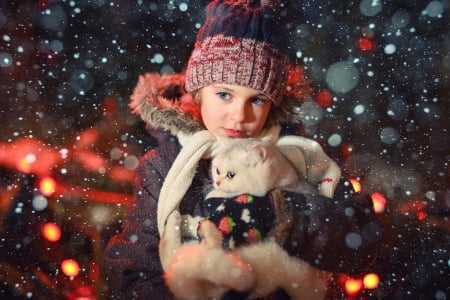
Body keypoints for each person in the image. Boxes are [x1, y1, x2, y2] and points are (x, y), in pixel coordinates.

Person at [103, 0, 383, 299]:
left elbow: (363, 243)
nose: (240, 115)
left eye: (257, 100)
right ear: (197, 95)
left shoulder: (301, 156)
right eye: (224, 94)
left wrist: (284, 214)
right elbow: (132, 267)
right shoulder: (163, 166)